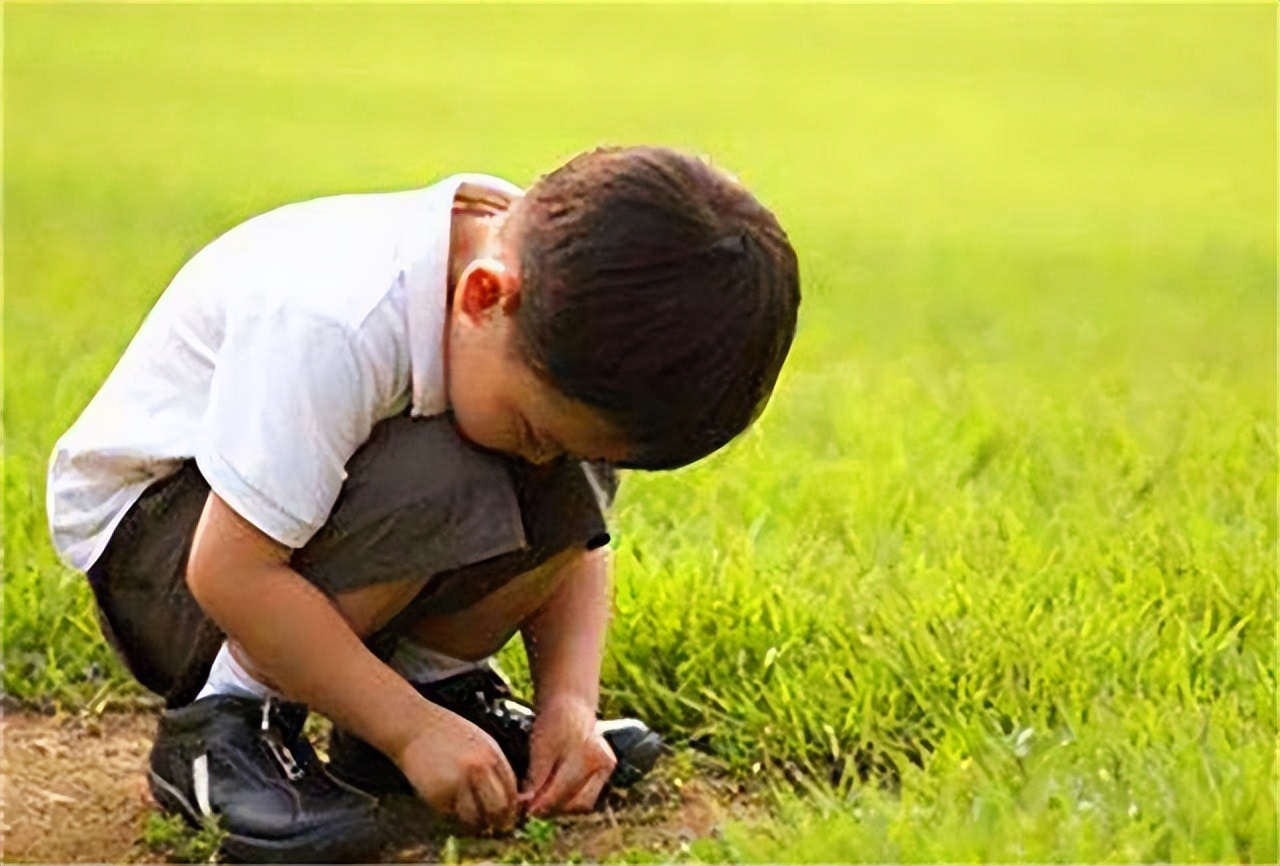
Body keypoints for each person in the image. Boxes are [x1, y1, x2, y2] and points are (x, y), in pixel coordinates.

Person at [46, 146, 801, 862]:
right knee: (453, 475)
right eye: (537, 427)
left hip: (286, 542)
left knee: (551, 471)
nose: (542, 454)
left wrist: (569, 704)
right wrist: (410, 731)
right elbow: (229, 573)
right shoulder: (335, 320)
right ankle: (226, 725)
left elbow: (581, 539)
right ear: (483, 297)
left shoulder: (541, 289)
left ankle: (431, 690)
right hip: (165, 561)